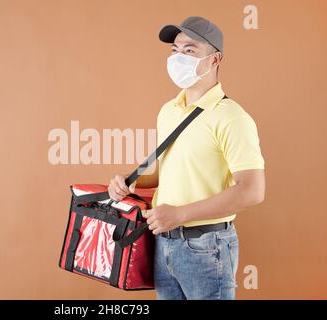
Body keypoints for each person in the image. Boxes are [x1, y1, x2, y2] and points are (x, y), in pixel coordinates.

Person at [107, 16, 265, 300]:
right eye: (175, 50)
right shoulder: (169, 110)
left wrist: (179, 215)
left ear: (215, 59)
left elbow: (252, 191)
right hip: (163, 242)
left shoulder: (232, 118)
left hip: (207, 246)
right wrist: (128, 184)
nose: (179, 57)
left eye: (189, 51)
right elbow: (167, 172)